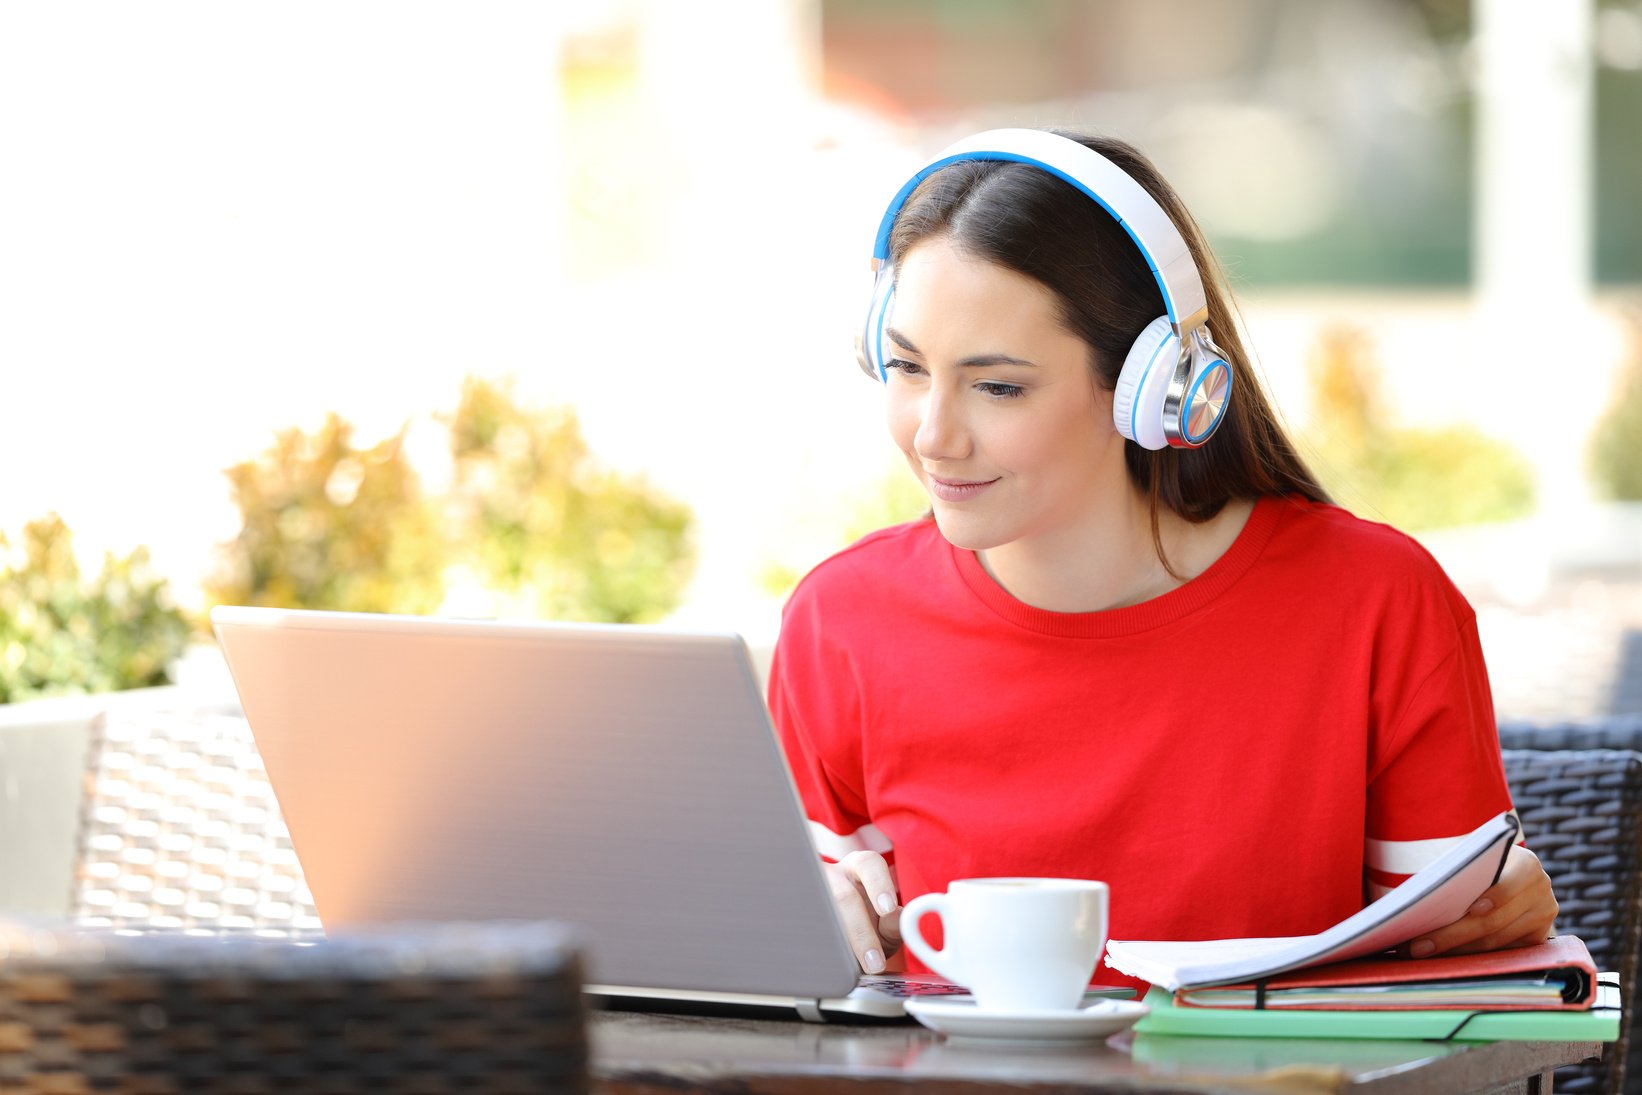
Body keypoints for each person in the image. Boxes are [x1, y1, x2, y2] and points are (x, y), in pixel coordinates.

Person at [766, 128, 1557, 988]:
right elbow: (796, 991)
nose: (931, 434)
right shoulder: (840, 621)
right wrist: (800, 915)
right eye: (907, 367)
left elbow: (1451, 987)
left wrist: (1497, 922)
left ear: (1159, 386)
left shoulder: (1377, 602)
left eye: (998, 386)